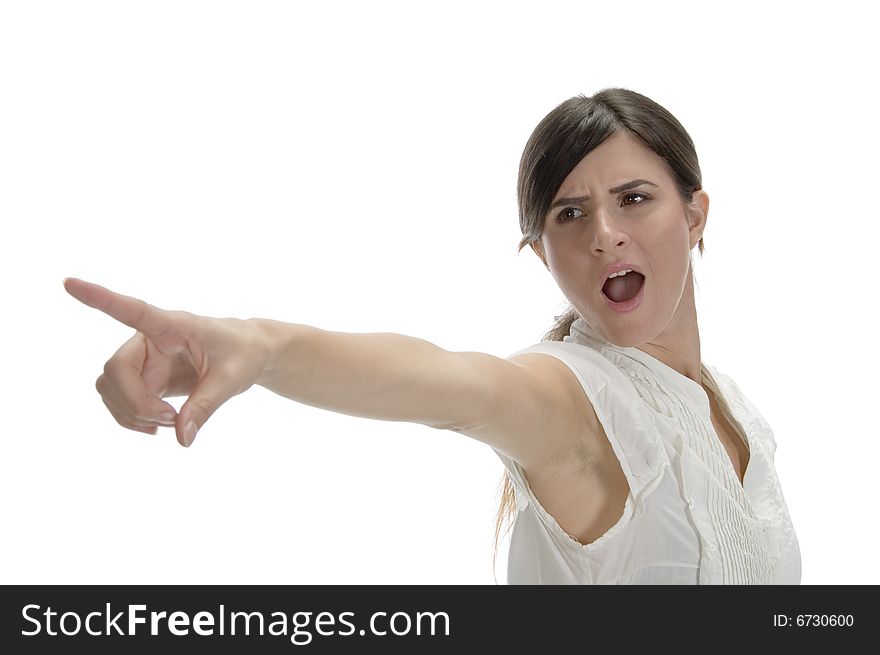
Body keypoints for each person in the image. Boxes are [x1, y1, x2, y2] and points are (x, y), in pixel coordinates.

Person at [64, 87, 801, 585]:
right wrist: (263, 347)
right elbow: (453, 383)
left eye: (633, 199)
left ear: (695, 213)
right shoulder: (579, 397)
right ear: (542, 253)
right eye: (569, 215)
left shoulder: (735, 410)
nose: (604, 235)